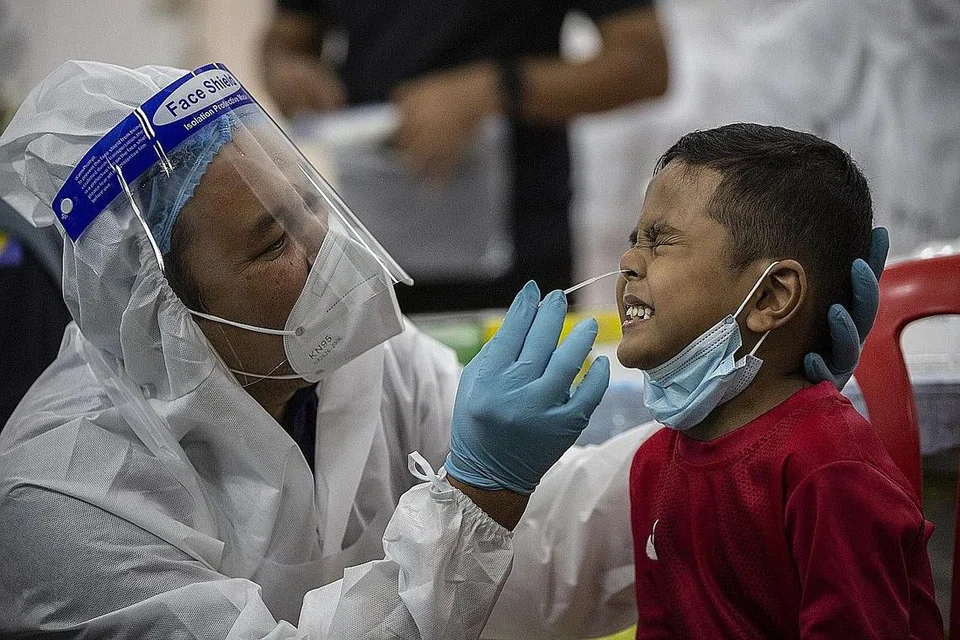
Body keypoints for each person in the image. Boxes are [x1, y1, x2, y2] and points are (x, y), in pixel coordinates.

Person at [0, 60, 611, 638]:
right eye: (272, 244)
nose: (325, 249)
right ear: (164, 316)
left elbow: (546, 547)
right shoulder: (67, 501)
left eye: (312, 204)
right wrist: (479, 500)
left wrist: (689, 452)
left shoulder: (350, 357)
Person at [620, 124, 942, 637]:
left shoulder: (827, 465)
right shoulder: (652, 466)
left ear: (772, 296)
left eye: (659, 242)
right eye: (634, 240)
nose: (628, 262)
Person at [260, 0, 670, 312]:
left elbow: (645, 62)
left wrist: (493, 90)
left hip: (516, 253)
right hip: (366, 243)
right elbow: (287, 38)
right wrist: (290, 72)